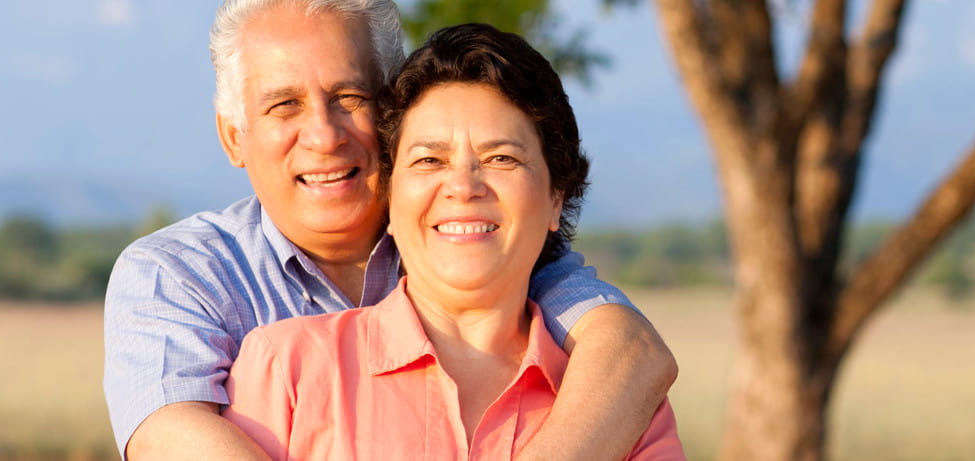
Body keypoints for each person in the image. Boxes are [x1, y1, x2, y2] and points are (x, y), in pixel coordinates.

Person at [102, 1, 676, 459]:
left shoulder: (471, 240)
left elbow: (628, 350)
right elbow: (168, 438)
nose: (324, 136)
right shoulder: (185, 280)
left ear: (390, 109)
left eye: (349, 97)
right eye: (284, 106)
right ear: (233, 137)